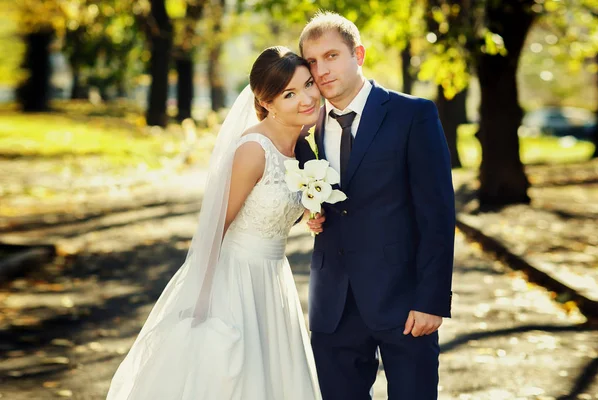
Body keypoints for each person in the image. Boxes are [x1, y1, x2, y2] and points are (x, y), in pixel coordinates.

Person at [106, 46, 322, 400]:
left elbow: (273, 211)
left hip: (273, 280)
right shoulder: (253, 150)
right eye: (290, 93)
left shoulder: (302, 148)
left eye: (309, 84)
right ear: (266, 102)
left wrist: (311, 214)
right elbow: (215, 228)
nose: (307, 98)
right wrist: (203, 302)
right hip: (236, 280)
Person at [294, 12, 456, 400]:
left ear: (359, 55)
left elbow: (437, 214)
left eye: (331, 56)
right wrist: (312, 213)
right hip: (333, 307)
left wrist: (431, 300)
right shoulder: (307, 126)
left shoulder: (412, 115)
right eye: (312, 62)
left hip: (404, 304)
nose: (322, 70)